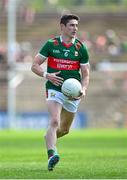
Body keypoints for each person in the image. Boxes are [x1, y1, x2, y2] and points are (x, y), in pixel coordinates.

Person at [31, 14, 90, 171]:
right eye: (71, 25)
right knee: (55, 121)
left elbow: (86, 74)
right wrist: (46, 75)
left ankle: (48, 137)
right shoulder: (51, 44)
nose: (75, 29)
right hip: (54, 88)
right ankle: (52, 154)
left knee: (63, 129)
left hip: (73, 92)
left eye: (76, 25)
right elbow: (34, 65)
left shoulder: (80, 48)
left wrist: (83, 89)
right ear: (62, 27)